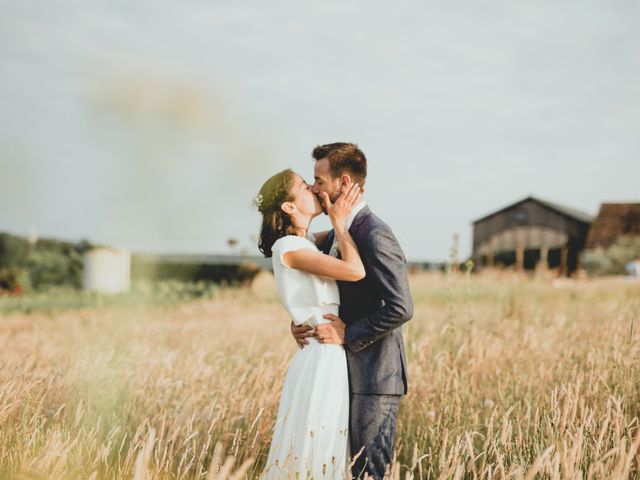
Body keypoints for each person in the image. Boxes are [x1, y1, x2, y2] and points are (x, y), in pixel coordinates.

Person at [291, 143, 414, 479]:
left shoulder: (374, 234)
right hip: (340, 373)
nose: (314, 188)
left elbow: (401, 307)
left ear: (343, 183)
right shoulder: (336, 231)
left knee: (369, 474)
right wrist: (300, 320)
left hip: (375, 379)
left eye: (319, 180)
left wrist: (349, 333)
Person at [255, 168, 364, 479]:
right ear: (289, 207)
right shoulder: (289, 248)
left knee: (325, 443)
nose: (314, 190)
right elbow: (354, 271)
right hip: (321, 355)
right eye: (305, 186)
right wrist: (339, 223)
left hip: (326, 352)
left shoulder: (304, 244)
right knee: (316, 443)